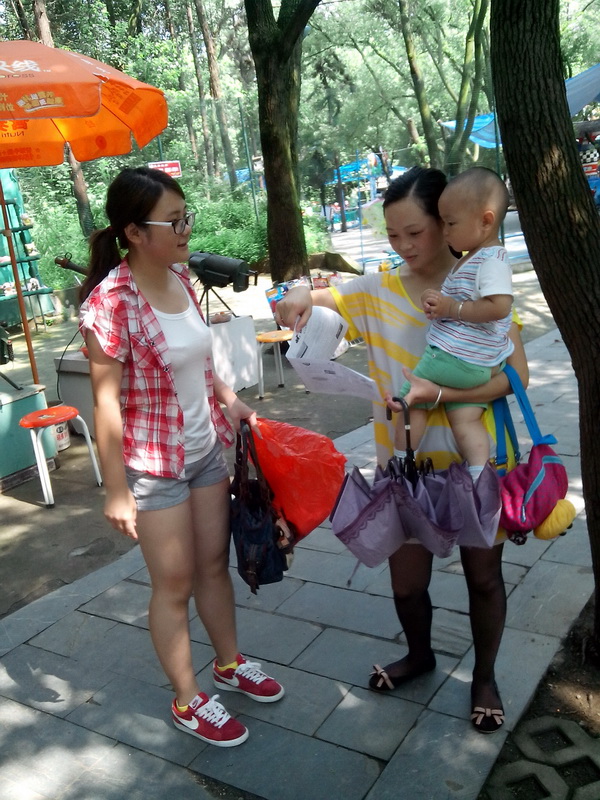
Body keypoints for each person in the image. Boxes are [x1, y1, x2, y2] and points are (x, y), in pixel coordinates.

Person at [276, 165, 528, 734]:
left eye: (415, 232)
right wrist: (294, 293)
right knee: (407, 584)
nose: (404, 245)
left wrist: (438, 395)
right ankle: (420, 655)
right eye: (393, 235)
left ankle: (485, 678)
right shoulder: (376, 290)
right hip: (405, 467)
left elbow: (516, 377)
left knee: (483, 578)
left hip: (474, 460)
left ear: (447, 222)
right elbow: (316, 295)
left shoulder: (480, 289)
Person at [79, 167, 284, 749]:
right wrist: (117, 490)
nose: (186, 229)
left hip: (205, 450)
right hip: (152, 466)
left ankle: (229, 664)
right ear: (134, 232)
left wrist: (231, 400)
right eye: (173, 221)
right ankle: (188, 699)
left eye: (184, 216)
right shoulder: (109, 304)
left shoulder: (180, 279)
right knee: (173, 583)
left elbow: (201, 362)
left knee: (213, 565)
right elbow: (105, 403)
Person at [391, 167, 514, 484]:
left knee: (410, 398)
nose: (445, 231)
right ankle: (479, 476)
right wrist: (439, 300)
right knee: (465, 419)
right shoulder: (476, 258)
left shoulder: (490, 261)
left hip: (456, 357)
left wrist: (451, 308)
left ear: (486, 220)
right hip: (478, 365)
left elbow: (500, 306)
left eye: (451, 223)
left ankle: (400, 467)